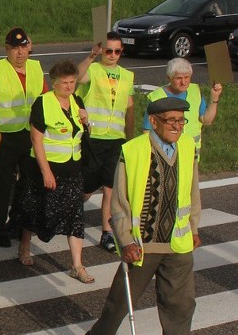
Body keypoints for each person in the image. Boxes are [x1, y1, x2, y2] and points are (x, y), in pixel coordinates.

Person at [83, 97, 203, 335]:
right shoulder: (133, 150)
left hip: (177, 243)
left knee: (181, 305)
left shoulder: (187, 146)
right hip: (142, 244)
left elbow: (193, 189)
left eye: (181, 120)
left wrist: (194, 228)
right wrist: (124, 239)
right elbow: (120, 202)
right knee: (122, 301)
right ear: (155, 121)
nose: (177, 126)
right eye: (171, 120)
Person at [15, 59, 93, 282]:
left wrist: (87, 122)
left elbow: (79, 134)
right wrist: (46, 172)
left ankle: (77, 265)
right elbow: (36, 140)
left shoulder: (77, 101)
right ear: (54, 83)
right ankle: (25, 247)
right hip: (45, 168)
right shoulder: (43, 103)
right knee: (35, 209)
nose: (69, 87)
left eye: (72, 82)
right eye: (64, 83)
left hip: (72, 168)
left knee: (75, 216)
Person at [0, 27, 47, 247]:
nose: (20, 53)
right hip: (5, 136)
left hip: (30, 135)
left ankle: (19, 222)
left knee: (28, 184)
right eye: (14, 48)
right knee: (2, 184)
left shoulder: (36, 68)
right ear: (7, 49)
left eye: (23, 47)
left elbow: (45, 100)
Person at [77, 33, 135, 249]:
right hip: (93, 138)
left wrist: (129, 138)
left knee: (111, 186)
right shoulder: (93, 69)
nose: (112, 55)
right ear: (102, 50)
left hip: (115, 139)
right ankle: (71, 207)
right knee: (86, 187)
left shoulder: (127, 76)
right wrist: (91, 57)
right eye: (108, 50)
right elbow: (77, 77)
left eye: (117, 51)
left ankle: (107, 231)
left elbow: (129, 108)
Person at [143, 58, 221, 158]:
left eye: (186, 77)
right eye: (178, 78)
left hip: (191, 152)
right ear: (169, 77)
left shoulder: (195, 92)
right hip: (165, 154)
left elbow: (206, 120)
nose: (183, 82)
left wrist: (214, 98)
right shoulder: (156, 97)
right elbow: (147, 130)